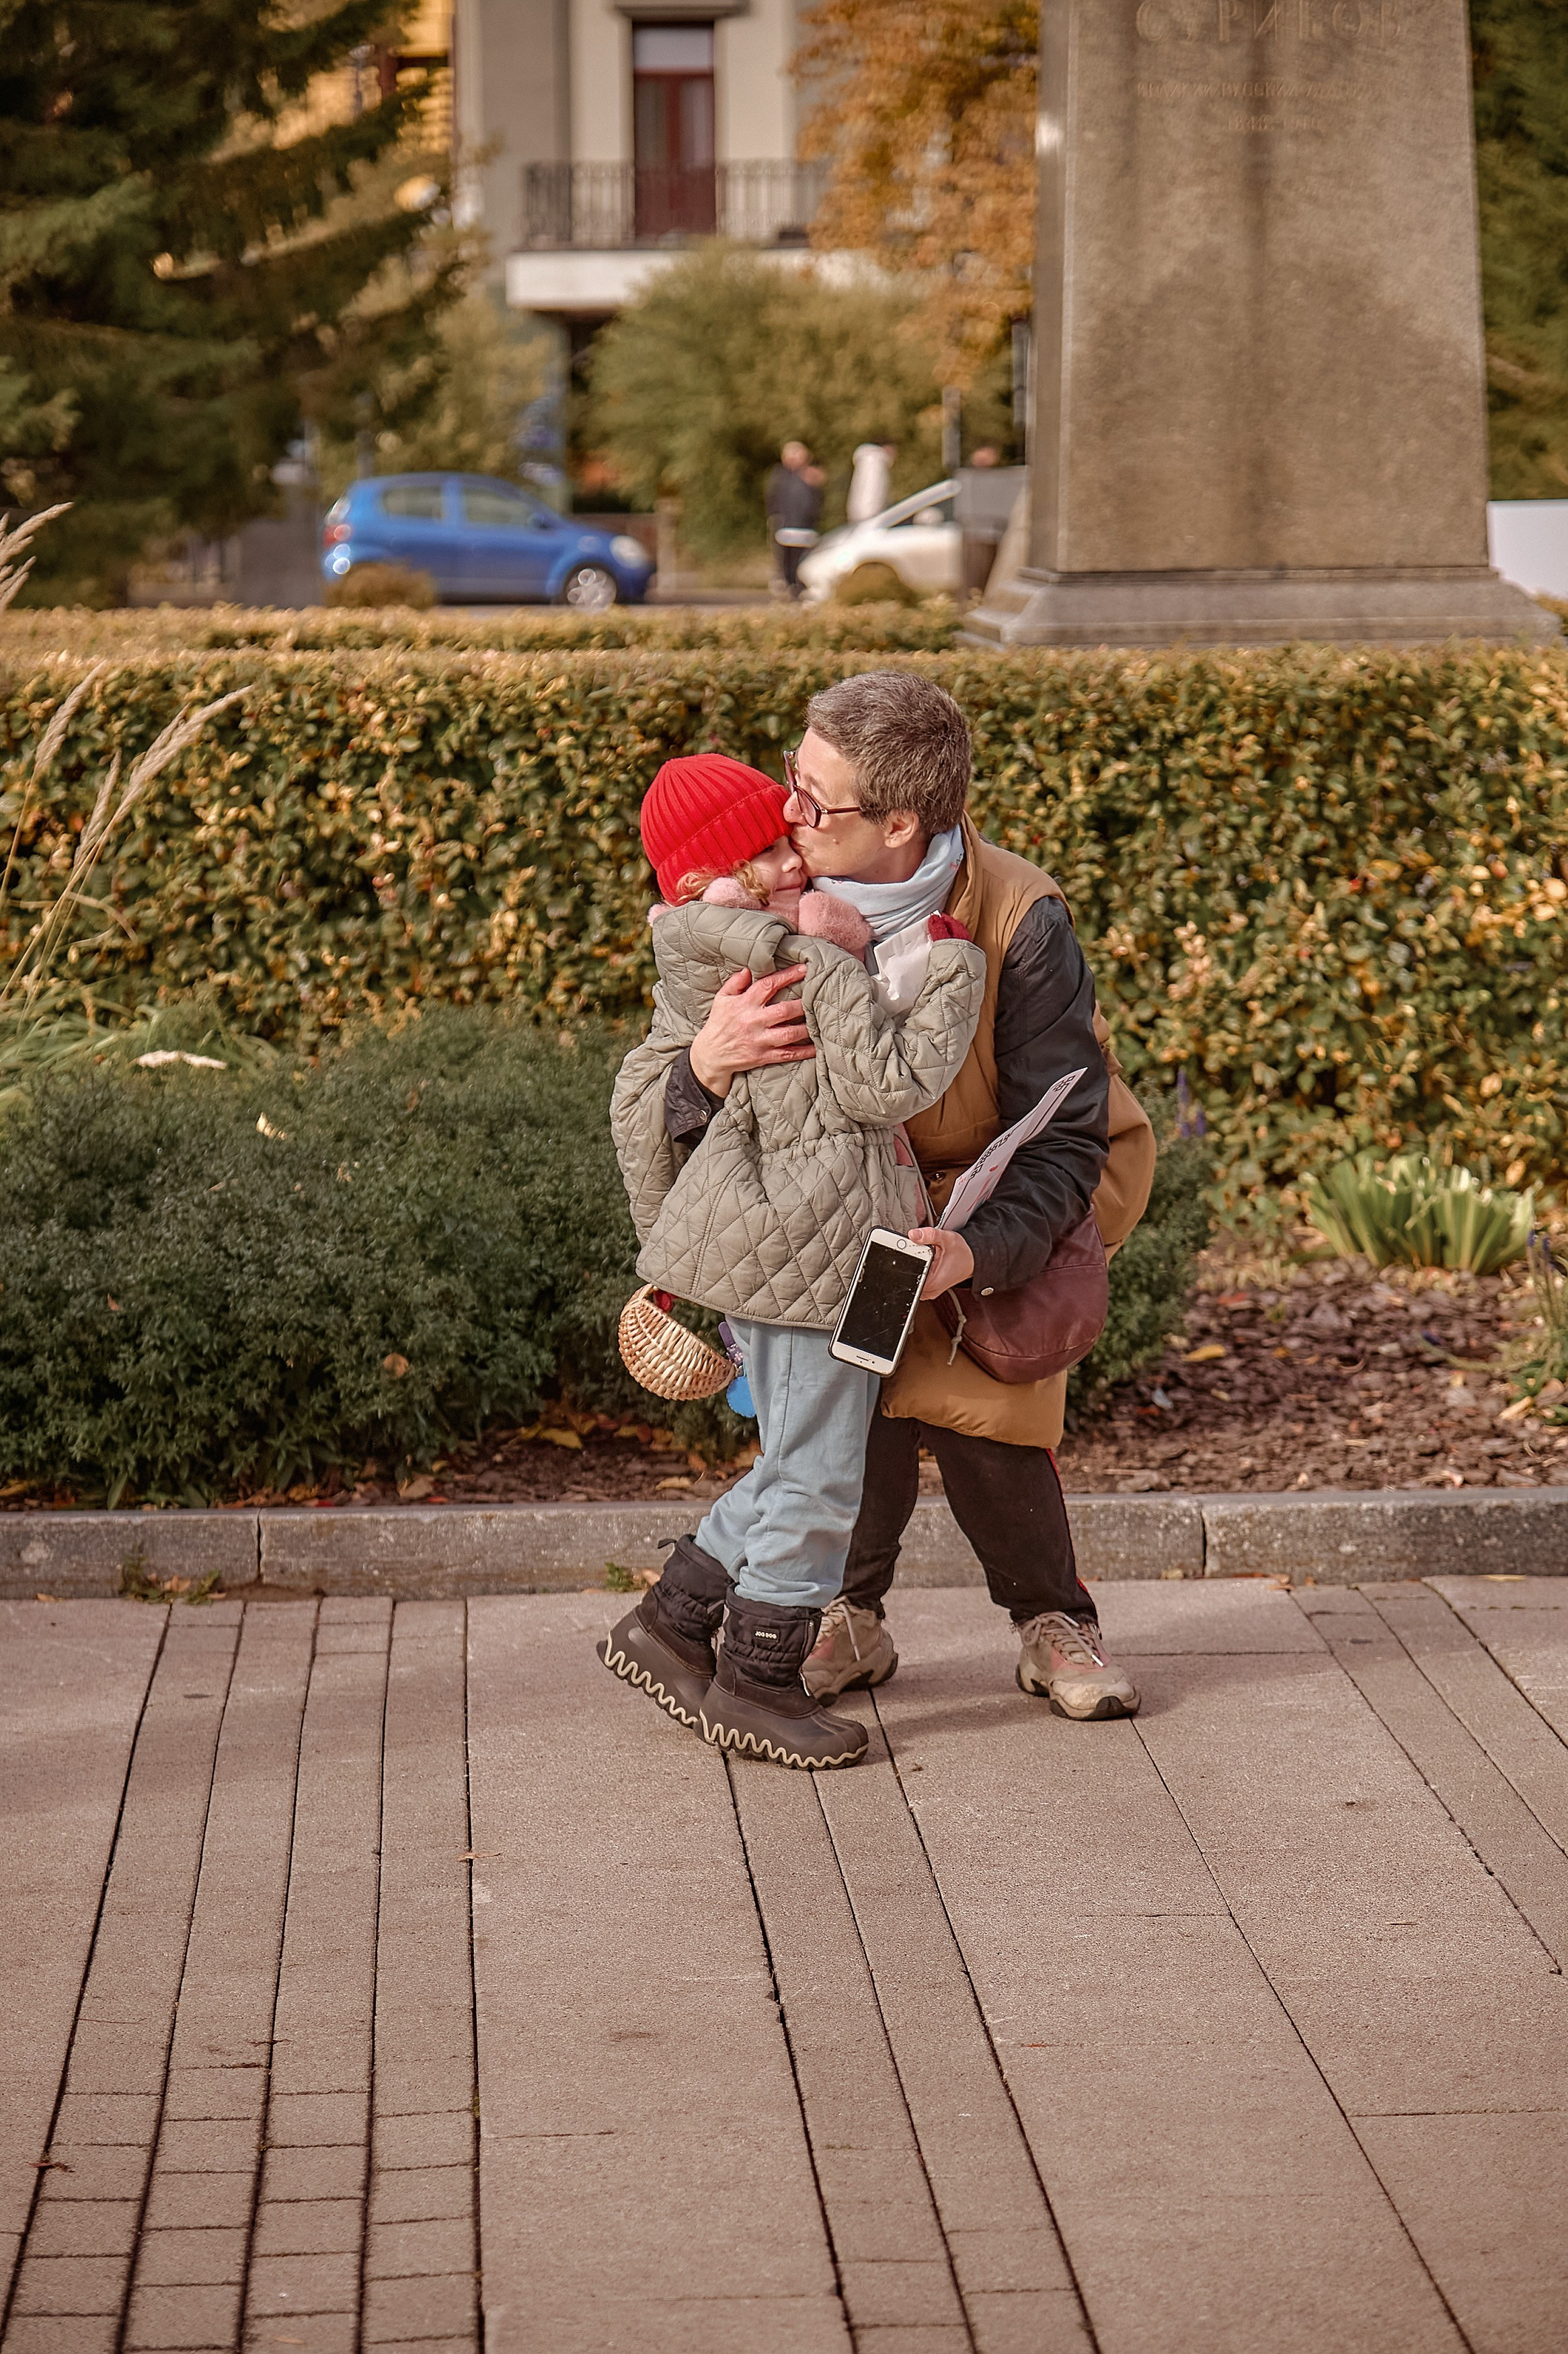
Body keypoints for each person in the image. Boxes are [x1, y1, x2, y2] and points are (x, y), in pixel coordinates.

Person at [654, 674, 1155, 1721]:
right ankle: (847, 1611)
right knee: (852, 1414)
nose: (787, 810)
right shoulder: (758, 902)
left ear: (899, 823)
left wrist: (978, 1252)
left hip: (987, 1204)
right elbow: (656, 1088)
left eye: (815, 799)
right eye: (794, 775)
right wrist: (703, 1066)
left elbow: (1066, 1136)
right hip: (838, 1220)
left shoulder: (1019, 916)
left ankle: (1051, 1616)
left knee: (991, 1418)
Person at [602, 753, 986, 1768]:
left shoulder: (753, 941)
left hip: (848, 1251)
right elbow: (881, 1084)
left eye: (786, 840)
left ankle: (675, 1622)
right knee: (821, 1476)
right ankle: (759, 1680)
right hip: (808, 1259)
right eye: (756, 854)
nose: (787, 864)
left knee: (801, 1459)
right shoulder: (787, 953)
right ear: (693, 889)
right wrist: (943, 961)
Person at [765, 440, 824, 599]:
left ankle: (799, 587)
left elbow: (816, 503)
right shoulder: (780, 476)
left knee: (803, 562)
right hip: (786, 529)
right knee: (787, 563)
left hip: (806, 530)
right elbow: (773, 501)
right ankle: (789, 586)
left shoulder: (811, 476)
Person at [847, 439, 897, 525]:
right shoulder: (876, 462)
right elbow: (873, 497)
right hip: (869, 519)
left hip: (857, 518)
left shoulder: (865, 461)